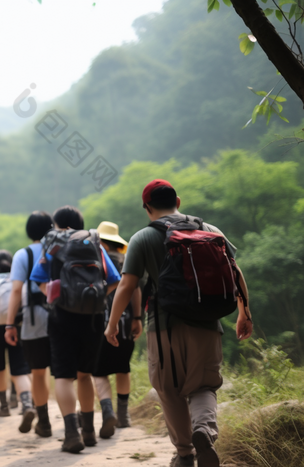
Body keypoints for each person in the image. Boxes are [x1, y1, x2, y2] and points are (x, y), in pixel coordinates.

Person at [105, 180, 253, 467]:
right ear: (179, 201)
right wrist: (244, 313)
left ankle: (184, 453)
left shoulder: (142, 238)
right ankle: (204, 431)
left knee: (169, 390)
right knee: (204, 385)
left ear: (147, 207)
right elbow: (236, 273)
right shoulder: (211, 231)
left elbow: (127, 286)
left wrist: (112, 325)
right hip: (207, 324)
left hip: (163, 328)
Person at [29, 206, 121, 454]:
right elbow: (114, 280)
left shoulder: (53, 243)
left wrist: (56, 297)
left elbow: (37, 279)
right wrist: (98, 298)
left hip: (62, 317)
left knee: (63, 376)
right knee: (85, 374)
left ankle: (71, 434)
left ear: (57, 225)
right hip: (93, 317)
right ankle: (89, 431)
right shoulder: (94, 243)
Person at [4, 211, 55, 438]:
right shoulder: (58, 249)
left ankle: (44, 423)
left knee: (38, 372)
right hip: (60, 316)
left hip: (33, 319)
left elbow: (16, 290)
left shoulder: (22, 255)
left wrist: (9, 324)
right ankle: (78, 421)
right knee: (66, 374)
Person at [92, 221, 143, 429]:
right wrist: (137, 318)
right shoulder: (126, 260)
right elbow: (136, 290)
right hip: (125, 323)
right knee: (123, 368)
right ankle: (124, 416)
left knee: (98, 371)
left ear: (101, 242)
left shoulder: (96, 260)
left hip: (100, 324)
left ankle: (107, 412)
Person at [0, 250, 35, 431]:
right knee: (20, 370)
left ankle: (4, 406)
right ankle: (27, 404)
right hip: (17, 325)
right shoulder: (18, 277)